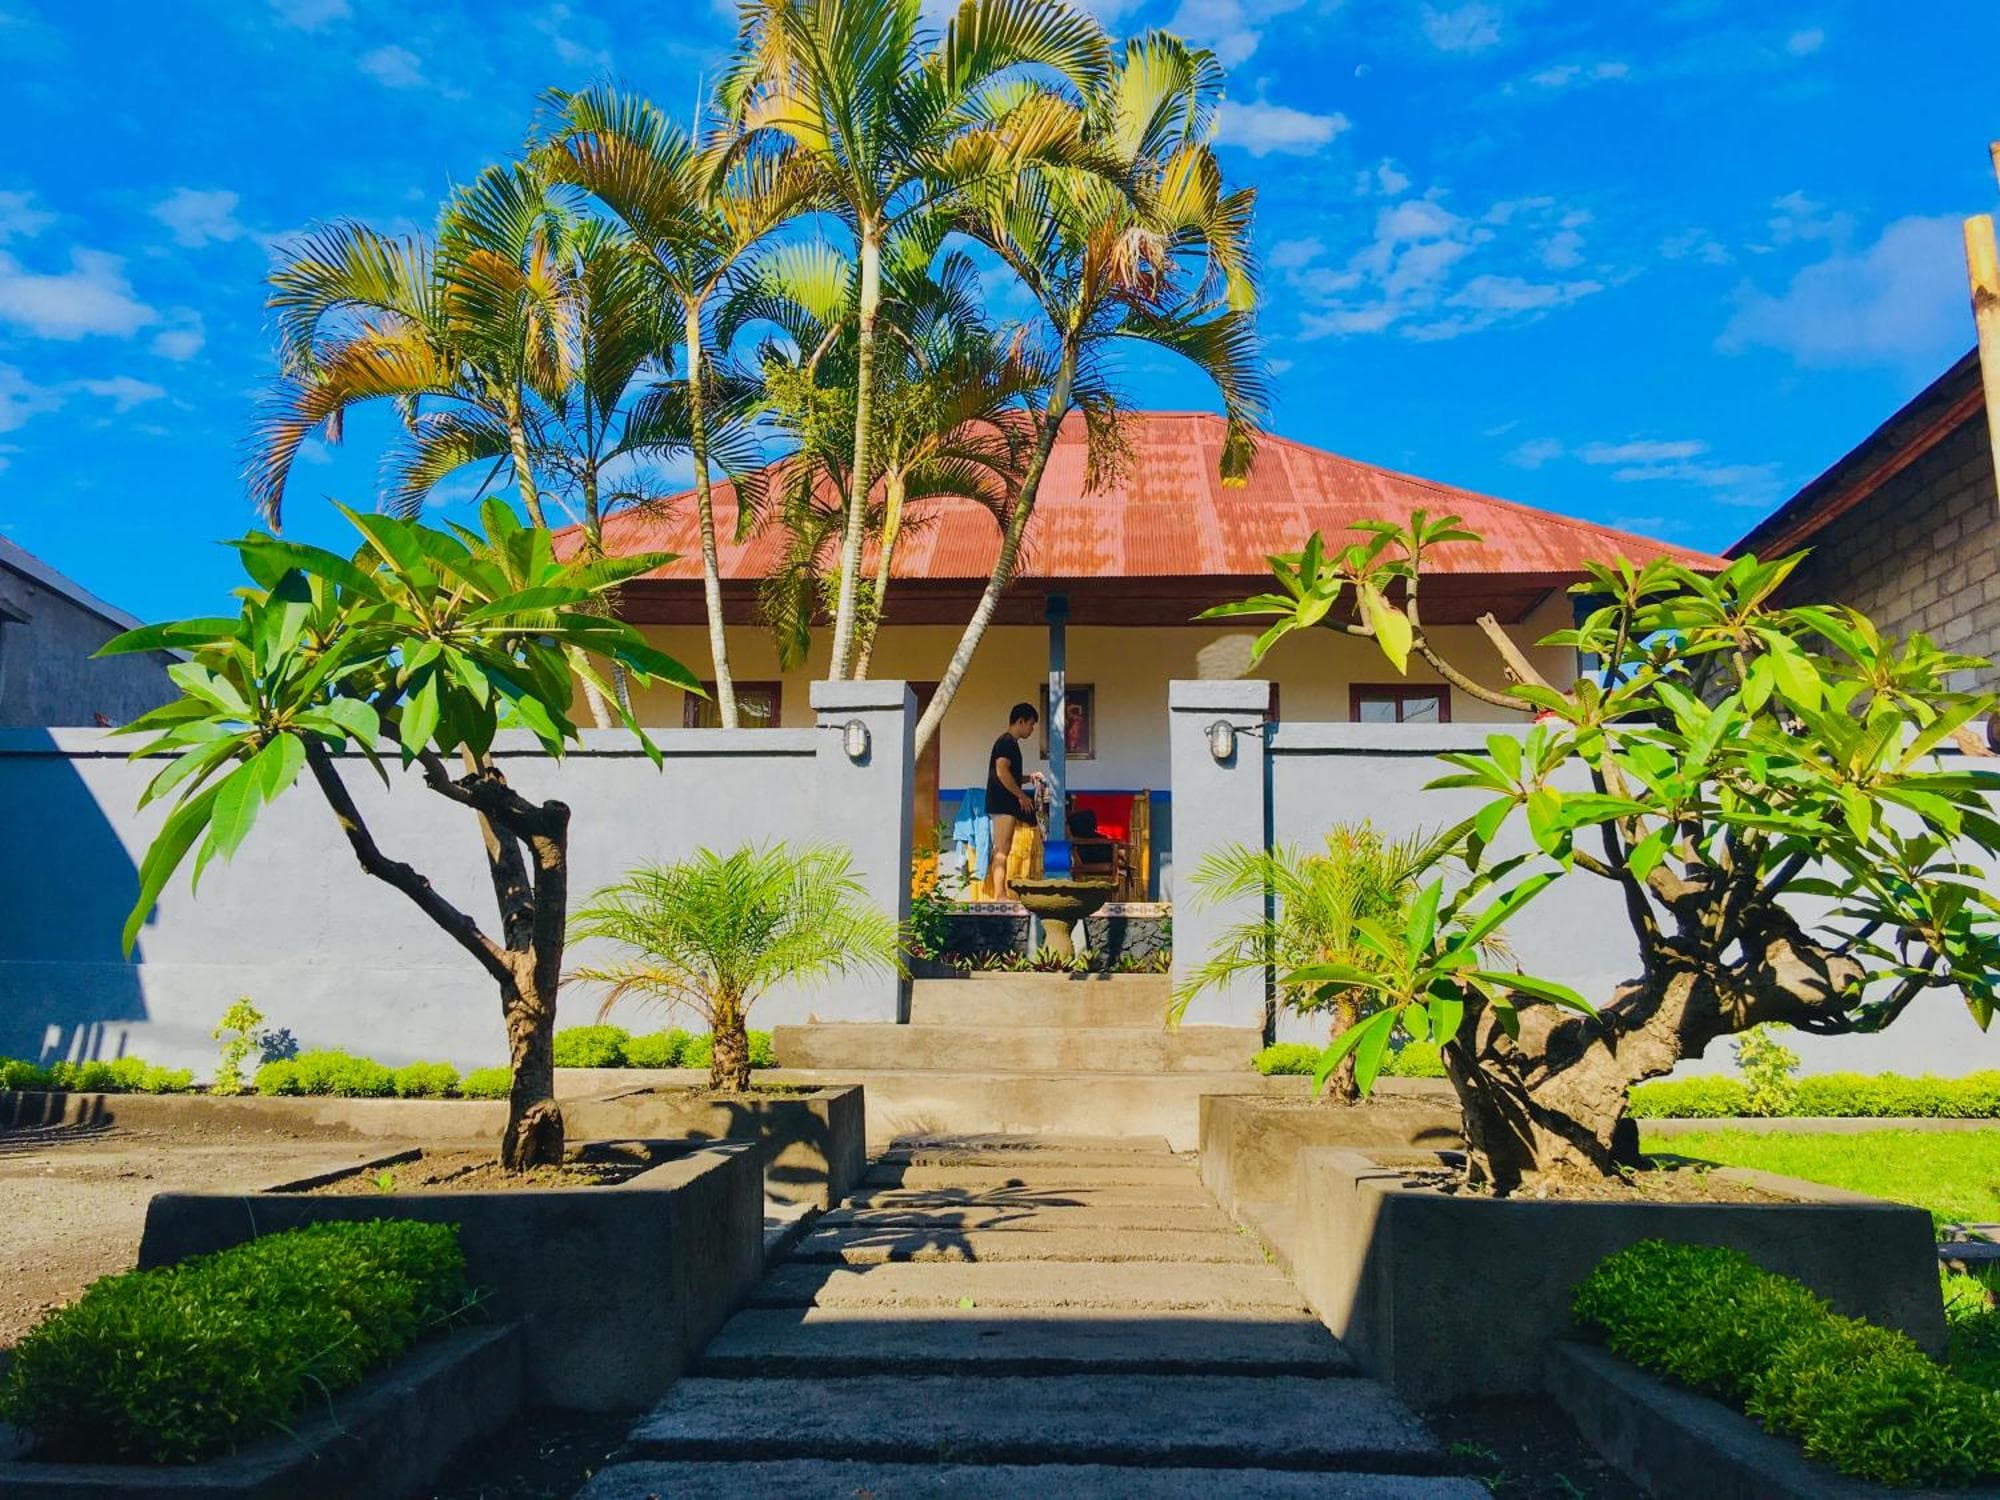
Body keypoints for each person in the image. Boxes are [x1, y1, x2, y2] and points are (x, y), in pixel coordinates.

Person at [985, 702, 1040, 899]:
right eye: (1031, 724)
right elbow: (1001, 771)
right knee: (1001, 850)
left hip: (1005, 802)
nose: (1032, 729)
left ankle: (1001, 894)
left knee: (1004, 849)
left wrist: (1028, 778)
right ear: (1020, 721)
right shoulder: (1006, 742)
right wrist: (1021, 795)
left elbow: (1010, 775)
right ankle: (1000, 895)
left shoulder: (1010, 743)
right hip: (1002, 803)